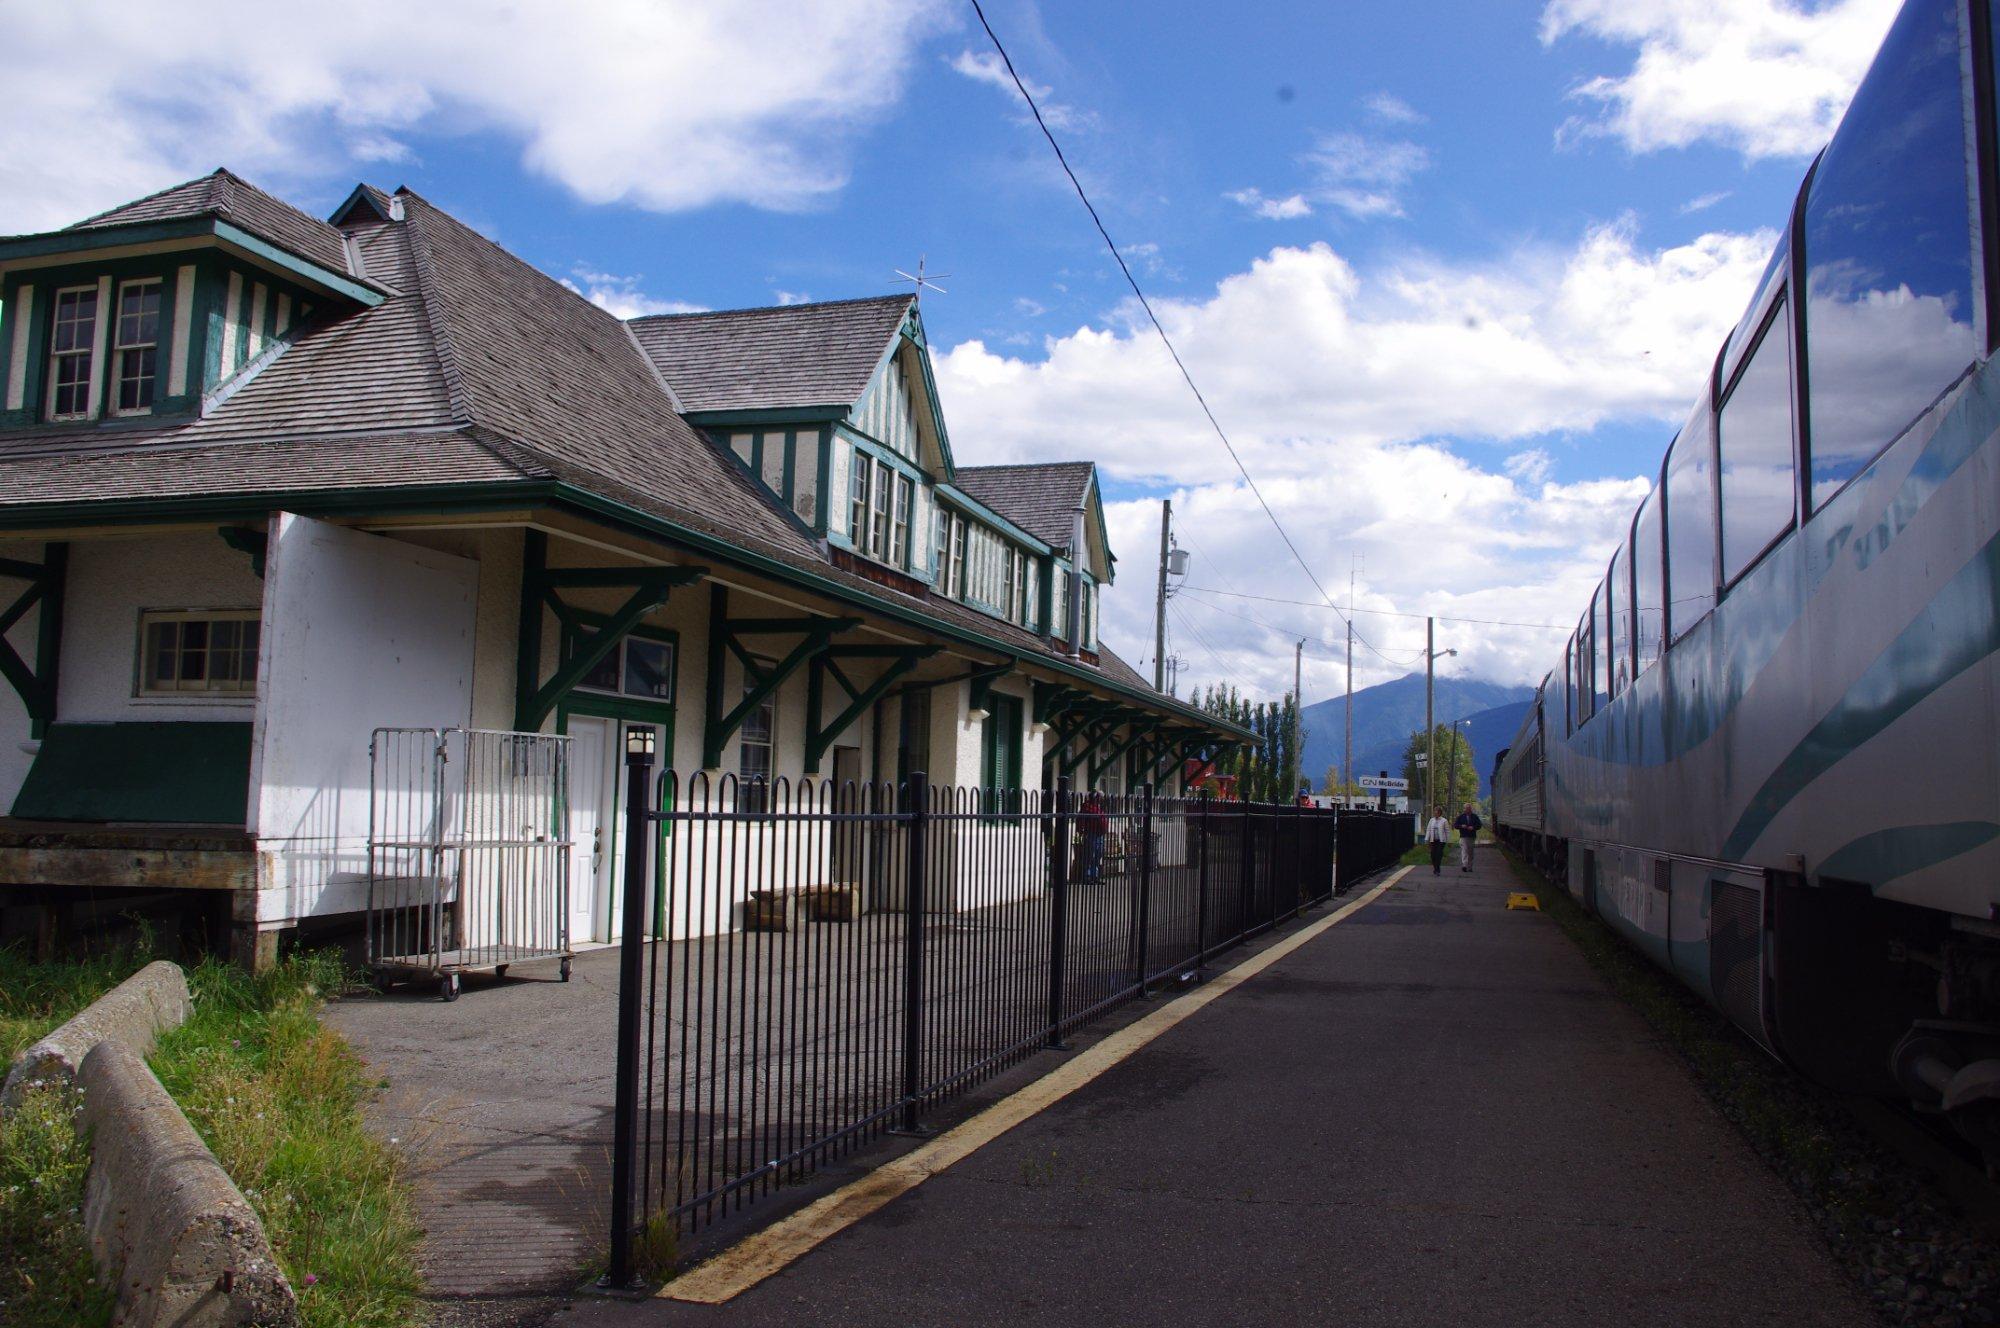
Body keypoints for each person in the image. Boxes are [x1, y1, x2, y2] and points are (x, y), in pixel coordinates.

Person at [1078, 790, 1109, 882]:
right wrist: (1081, 830)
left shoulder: (1098, 807)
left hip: (1099, 834)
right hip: (1091, 833)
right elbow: (1082, 819)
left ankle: (1094, 875)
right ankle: (1087, 876)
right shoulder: (1087, 806)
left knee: (1098, 855)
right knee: (1090, 855)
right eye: (1099, 798)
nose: (1100, 800)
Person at [1454, 802, 1484, 872]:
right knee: (1464, 850)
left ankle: (1470, 866)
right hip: (1463, 836)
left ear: (1471, 809)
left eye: (1468, 808)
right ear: (1464, 809)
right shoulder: (1461, 817)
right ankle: (1464, 865)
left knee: (1470, 852)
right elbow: (1455, 825)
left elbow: (1479, 825)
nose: (1467, 810)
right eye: (1466, 808)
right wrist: (1461, 826)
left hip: (1471, 836)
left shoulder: (1475, 817)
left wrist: (1473, 827)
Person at [1424, 806, 1449, 875]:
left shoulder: (1444, 821)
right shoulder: (1431, 820)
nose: (1435, 813)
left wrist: (1448, 840)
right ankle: (1435, 868)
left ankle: (1437, 870)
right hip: (1433, 840)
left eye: (1437, 812)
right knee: (1433, 855)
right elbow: (1428, 830)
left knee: (1438, 854)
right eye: (1434, 811)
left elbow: (1447, 831)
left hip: (1441, 841)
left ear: (1440, 813)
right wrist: (1426, 839)